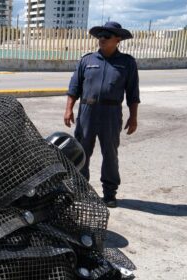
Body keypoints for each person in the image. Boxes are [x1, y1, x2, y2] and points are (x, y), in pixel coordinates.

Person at [64, 21, 140, 208]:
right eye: (100, 36)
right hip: (87, 112)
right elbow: (74, 88)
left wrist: (133, 117)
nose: (102, 39)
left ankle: (109, 193)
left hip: (111, 113)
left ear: (118, 40)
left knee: (110, 153)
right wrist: (68, 109)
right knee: (82, 152)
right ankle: (81, 190)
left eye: (107, 36)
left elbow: (133, 93)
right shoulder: (87, 61)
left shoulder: (127, 63)